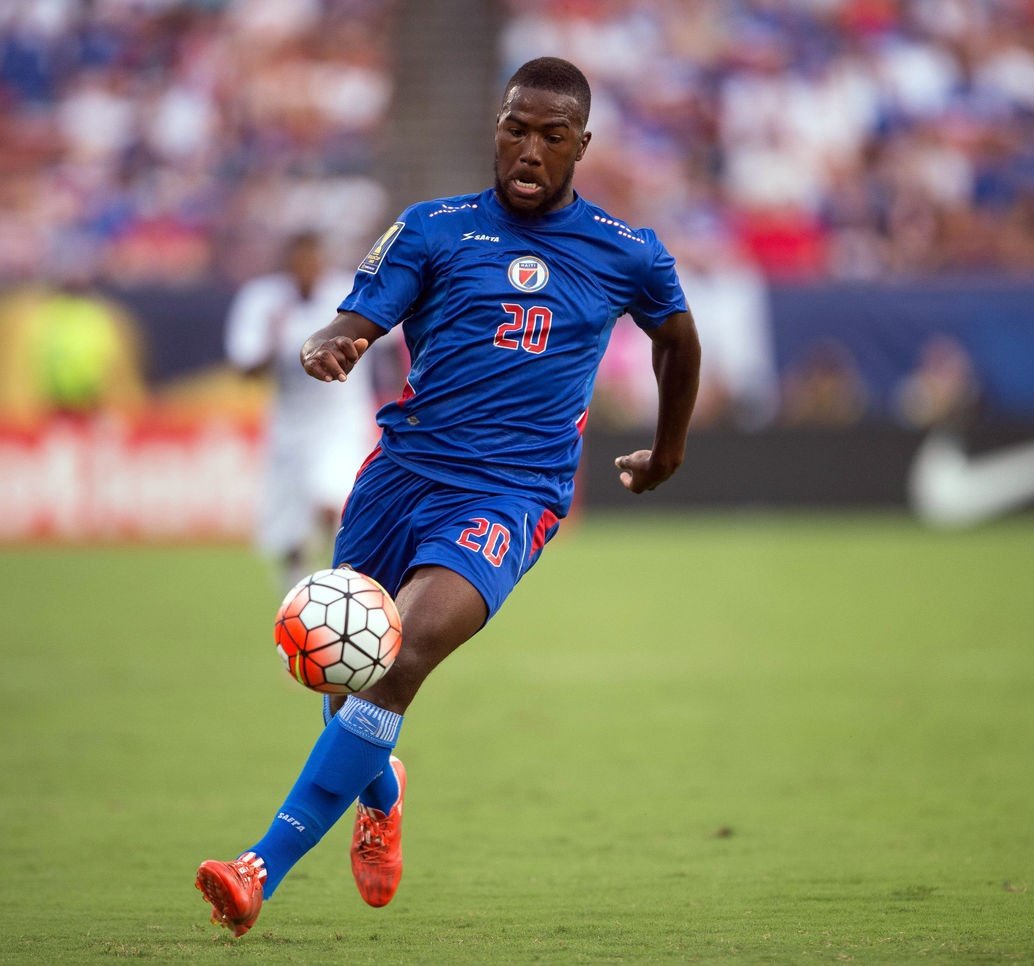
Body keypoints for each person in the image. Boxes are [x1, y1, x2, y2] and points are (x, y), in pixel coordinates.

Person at [195, 56, 701, 937]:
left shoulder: (627, 252)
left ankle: (256, 869)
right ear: (495, 128)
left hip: (510, 497)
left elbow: (678, 343)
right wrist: (335, 341)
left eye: (552, 135)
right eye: (515, 128)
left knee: (394, 663)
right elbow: (362, 313)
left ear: (582, 143)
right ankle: (380, 794)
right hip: (401, 479)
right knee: (342, 665)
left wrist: (667, 450)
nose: (529, 150)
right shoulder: (434, 229)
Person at [225, 231, 378, 590]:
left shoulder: (347, 292)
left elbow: (390, 338)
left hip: (341, 419)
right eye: (299, 260)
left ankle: (338, 576)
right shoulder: (262, 300)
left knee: (333, 500)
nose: (307, 269)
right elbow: (246, 368)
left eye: (313, 260)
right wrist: (271, 340)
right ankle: (296, 585)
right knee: (288, 526)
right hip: (290, 426)